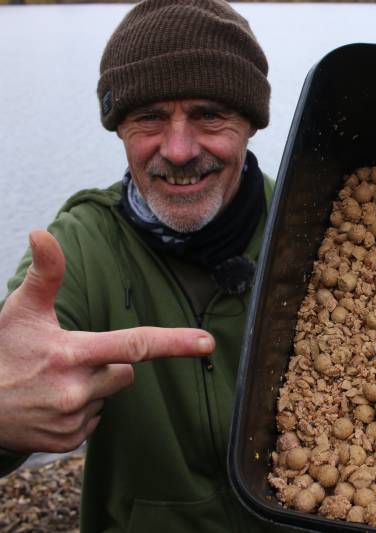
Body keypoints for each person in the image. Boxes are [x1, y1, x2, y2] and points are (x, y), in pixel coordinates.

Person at [0, 0, 278, 531]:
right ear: (118, 125)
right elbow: (17, 362)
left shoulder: (315, 229)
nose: (177, 150)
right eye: (149, 116)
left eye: (209, 114)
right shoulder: (81, 247)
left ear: (251, 122)